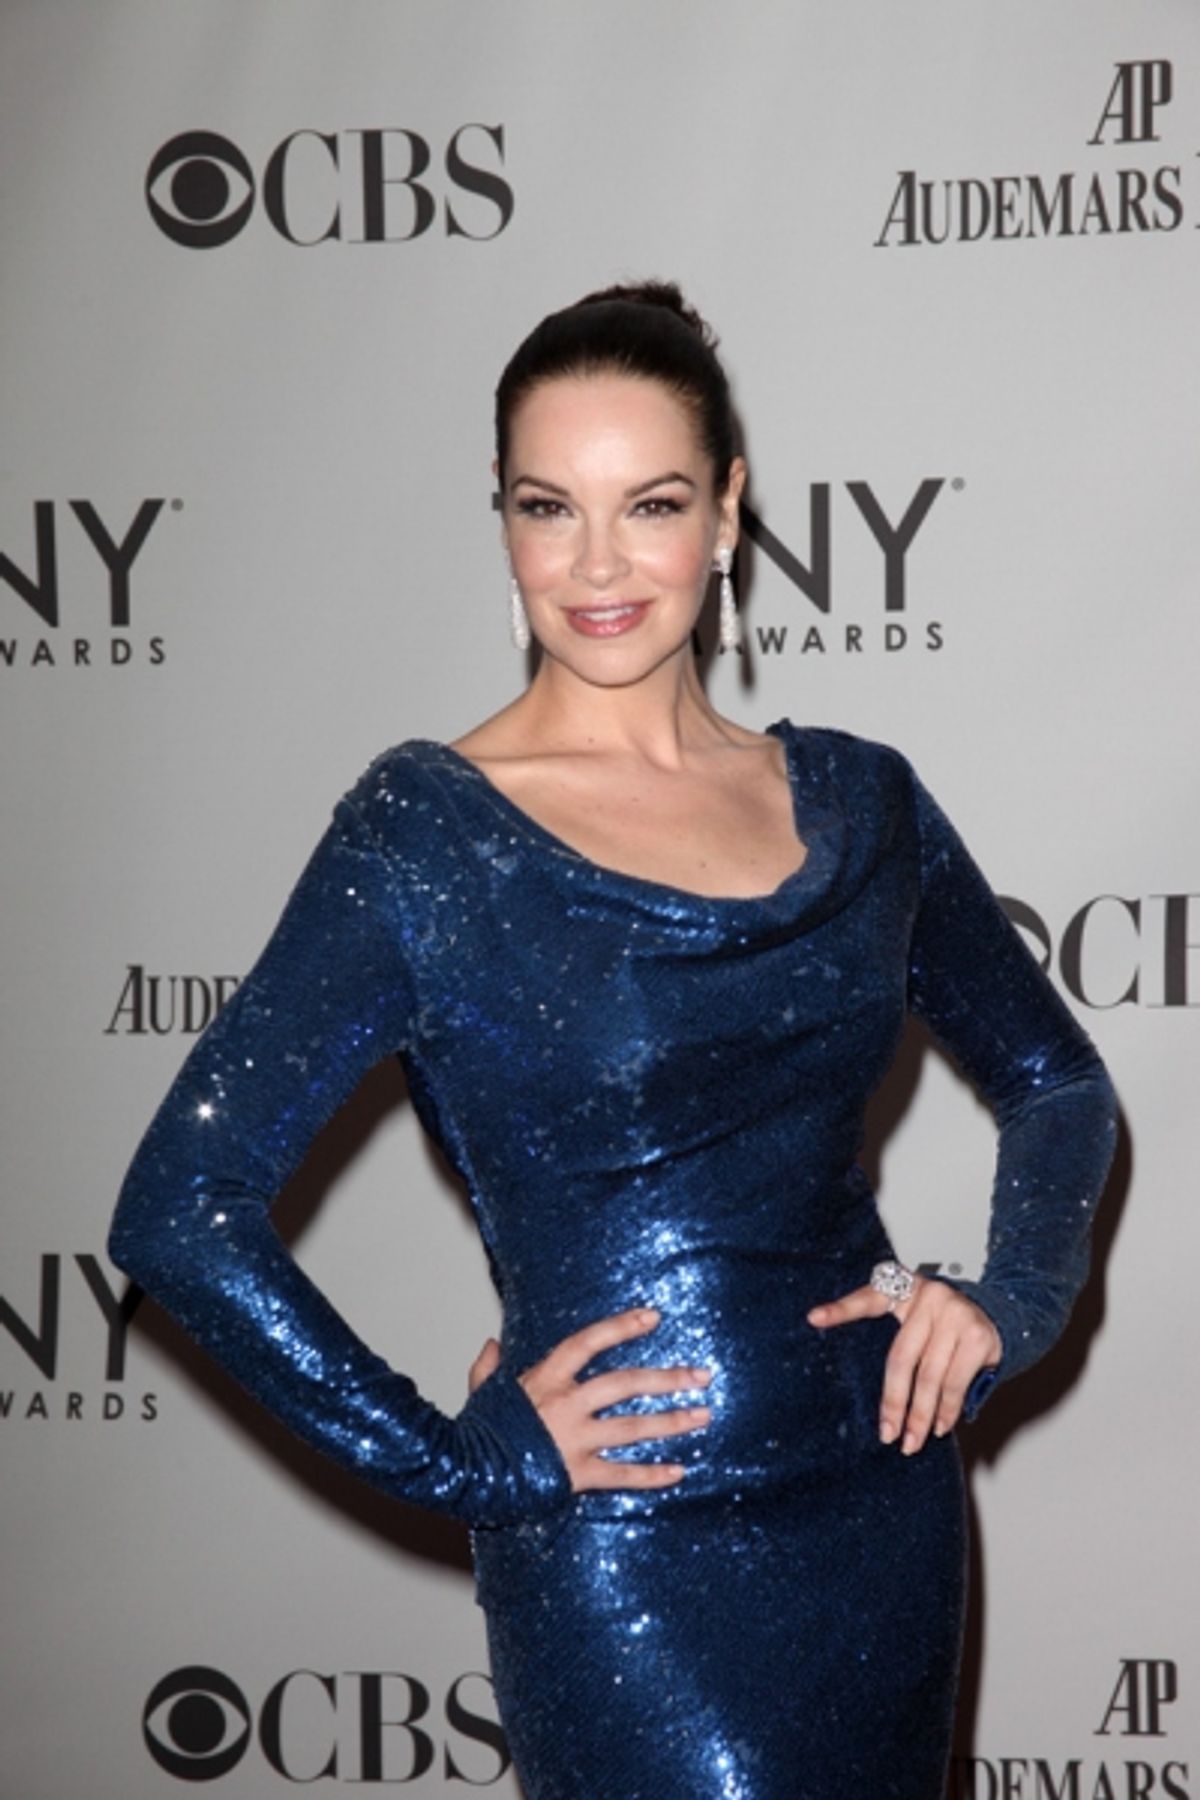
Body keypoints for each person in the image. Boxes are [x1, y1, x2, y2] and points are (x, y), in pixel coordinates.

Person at [108, 281, 1119, 1799]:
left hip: (882, 1496)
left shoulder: (864, 805)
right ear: (500, 522)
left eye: (648, 503)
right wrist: (461, 1462)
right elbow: (176, 1212)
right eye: (544, 506)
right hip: (621, 1547)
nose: (594, 565)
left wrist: (1011, 1299)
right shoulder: (426, 836)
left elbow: (1059, 1083)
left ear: (726, 513)